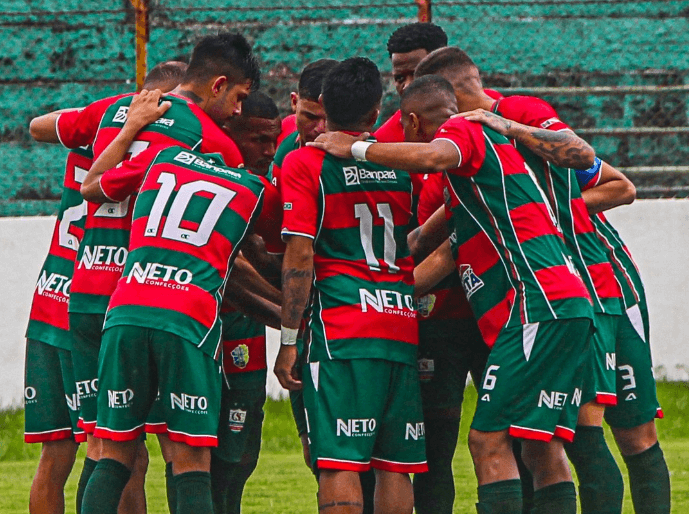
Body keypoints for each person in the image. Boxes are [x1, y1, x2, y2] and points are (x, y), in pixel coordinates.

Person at [310, 74, 597, 514]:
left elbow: (434, 157)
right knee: (541, 446)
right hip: (569, 301)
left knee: (487, 441)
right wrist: (371, 286)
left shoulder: (463, 130)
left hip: (539, 304)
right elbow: (428, 244)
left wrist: (353, 148)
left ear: (411, 121)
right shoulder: (492, 164)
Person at [413, 45, 636, 514]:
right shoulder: (473, 154)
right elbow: (439, 244)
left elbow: (614, 180)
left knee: (564, 434)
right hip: (526, 312)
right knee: (540, 444)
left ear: (450, 94)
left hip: (554, 303)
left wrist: (547, 215)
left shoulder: (519, 118)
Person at [53, 32, 259, 513]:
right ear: (218, 85)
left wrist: (129, 128)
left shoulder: (115, 109)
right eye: (238, 99)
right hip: (160, 294)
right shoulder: (212, 143)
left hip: (88, 291)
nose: (237, 111)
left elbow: (57, 144)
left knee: (107, 446)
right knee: (185, 451)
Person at [77, 119, 281, 513]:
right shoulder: (256, 188)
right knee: (190, 461)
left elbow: (94, 184)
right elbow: (280, 254)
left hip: (126, 309)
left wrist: (130, 125)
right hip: (187, 319)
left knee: (113, 454)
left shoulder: (161, 157)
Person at [25, 60, 187, 514]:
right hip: (98, 303)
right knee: (122, 449)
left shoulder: (99, 122)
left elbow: (39, 125)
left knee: (65, 451)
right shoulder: (154, 147)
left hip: (54, 298)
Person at [275, 57, 428, 514]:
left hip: (343, 331)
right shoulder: (400, 165)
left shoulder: (305, 164)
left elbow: (299, 255)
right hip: (400, 325)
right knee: (395, 465)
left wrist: (288, 340)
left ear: (320, 105)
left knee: (341, 461)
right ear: (377, 111)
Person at [211, 91, 282, 514]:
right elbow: (230, 265)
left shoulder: (266, 190)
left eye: (272, 139)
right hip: (203, 324)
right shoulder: (215, 179)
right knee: (194, 449)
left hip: (246, 327)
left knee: (242, 449)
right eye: (257, 139)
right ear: (229, 133)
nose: (268, 150)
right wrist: (289, 315)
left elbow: (261, 256)